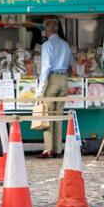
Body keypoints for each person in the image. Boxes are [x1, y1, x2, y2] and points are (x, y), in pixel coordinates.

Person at [36, 19, 75, 159]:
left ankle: (48, 149)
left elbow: (46, 67)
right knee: (59, 115)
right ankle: (58, 148)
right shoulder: (65, 44)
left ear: (47, 30)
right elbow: (72, 64)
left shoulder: (47, 45)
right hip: (64, 80)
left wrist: (40, 89)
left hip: (52, 79)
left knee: (47, 114)